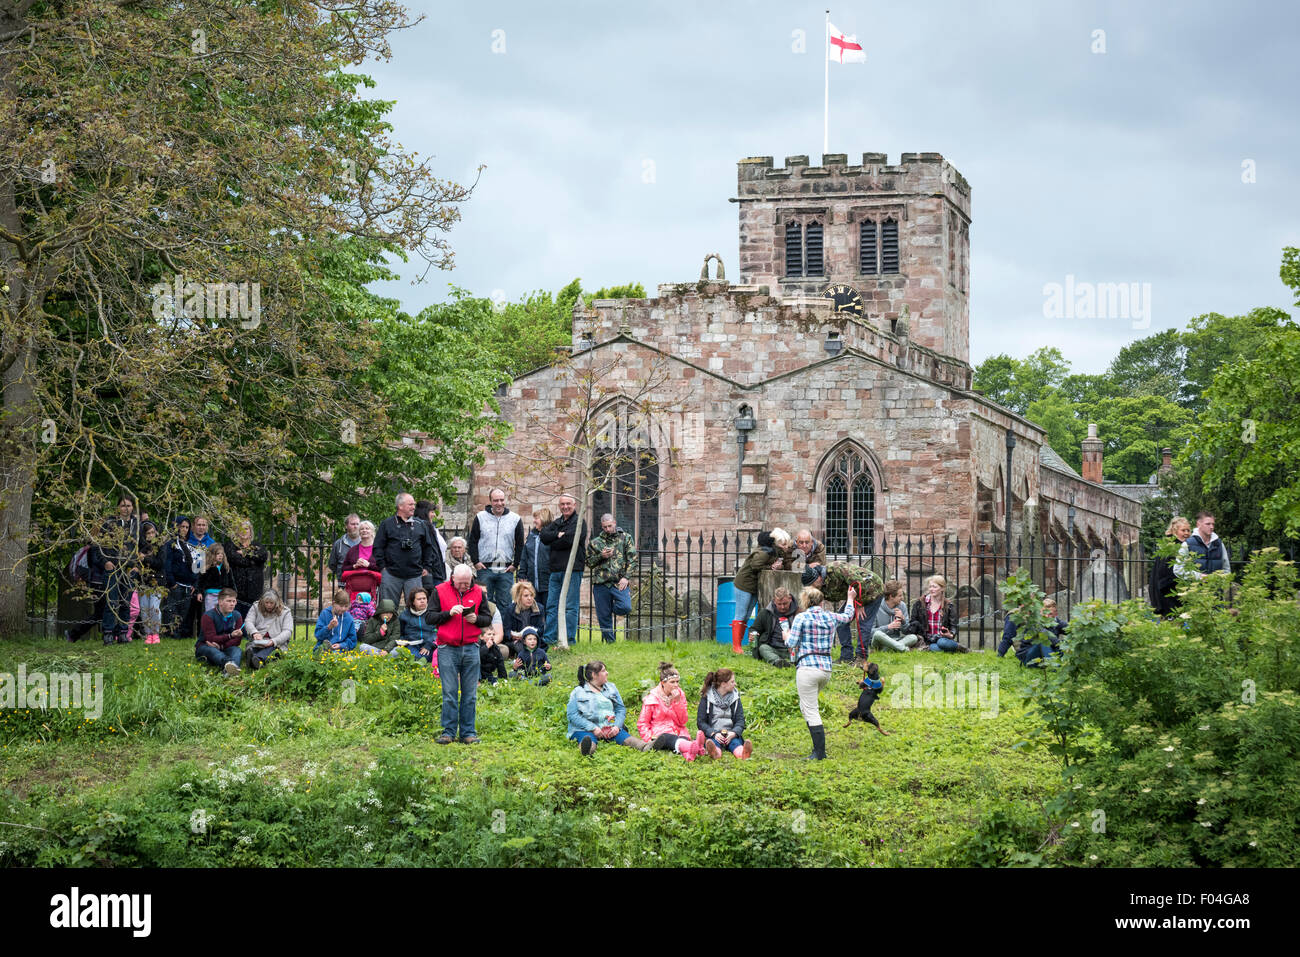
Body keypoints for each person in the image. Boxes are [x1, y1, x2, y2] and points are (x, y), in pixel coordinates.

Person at [786, 584, 859, 760]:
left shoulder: (801, 618)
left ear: (805, 602)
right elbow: (848, 616)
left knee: (811, 710)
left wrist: (786, 635)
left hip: (807, 668)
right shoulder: (830, 617)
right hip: (825, 669)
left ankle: (819, 753)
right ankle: (817, 750)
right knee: (806, 706)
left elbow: (791, 643)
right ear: (821, 602)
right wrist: (850, 599)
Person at [429, 565, 491, 744]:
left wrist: (476, 620)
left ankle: (468, 733)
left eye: (467, 582)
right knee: (449, 692)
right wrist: (448, 613)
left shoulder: (478, 592)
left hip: (471, 647)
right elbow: (429, 618)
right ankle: (448, 732)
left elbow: (487, 618)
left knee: (470, 693)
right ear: (453, 579)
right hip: (447, 647)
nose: (464, 586)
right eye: (460, 583)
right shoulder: (440, 591)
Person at [567, 660, 650, 754]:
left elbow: (620, 709)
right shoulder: (578, 692)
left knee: (626, 738)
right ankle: (586, 750)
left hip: (608, 726)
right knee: (588, 740)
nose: (607, 673)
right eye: (603, 671)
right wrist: (593, 728)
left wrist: (617, 726)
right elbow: (572, 715)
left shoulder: (611, 688)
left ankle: (646, 746)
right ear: (594, 675)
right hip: (585, 728)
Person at [731, 528, 793, 649]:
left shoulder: (776, 552)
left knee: (747, 614)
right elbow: (755, 565)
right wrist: (771, 567)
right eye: (783, 543)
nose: (786, 546)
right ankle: (736, 646)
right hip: (744, 584)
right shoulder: (764, 552)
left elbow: (784, 564)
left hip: (754, 585)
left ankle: (740, 645)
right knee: (741, 613)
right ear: (775, 542)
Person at [468, 487, 525, 616]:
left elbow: (520, 544)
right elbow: (473, 541)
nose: (499, 503)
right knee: (483, 602)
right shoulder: (480, 517)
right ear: (490, 501)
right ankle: (485, 634)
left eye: (501, 500)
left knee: (505, 604)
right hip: (485, 568)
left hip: (505, 570)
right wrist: (475, 561)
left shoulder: (515, 519)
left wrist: (515, 564)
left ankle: (503, 634)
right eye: (495, 500)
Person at [540, 494, 588, 647]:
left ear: (574, 505)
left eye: (568, 504)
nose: (565, 507)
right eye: (562, 504)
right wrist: (557, 536)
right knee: (552, 605)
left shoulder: (579, 522)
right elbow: (543, 536)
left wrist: (555, 541)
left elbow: (570, 540)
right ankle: (550, 638)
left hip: (573, 569)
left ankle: (569, 639)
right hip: (555, 570)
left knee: (570, 606)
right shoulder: (557, 522)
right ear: (559, 506)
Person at [373, 493, 435, 609]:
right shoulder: (387, 524)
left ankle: (414, 628)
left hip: (415, 575)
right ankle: (388, 628)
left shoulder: (420, 524)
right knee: (388, 609)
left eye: (414, 504)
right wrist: (383, 568)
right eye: (410, 504)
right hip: (391, 574)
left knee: (416, 609)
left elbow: (428, 547)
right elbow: (378, 547)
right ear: (400, 506)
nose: (413, 507)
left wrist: (427, 567)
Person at [636, 662, 704, 760]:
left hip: (678, 730)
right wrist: (649, 738)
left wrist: (677, 702)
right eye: (672, 682)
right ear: (663, 683)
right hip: (660, 733)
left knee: (681, 738)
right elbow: (642, 723)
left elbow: (683, 721)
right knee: (668, 738)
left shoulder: (680, 694)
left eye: (677, 681)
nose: (676, 685)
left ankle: (690, 754)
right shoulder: (652, 698)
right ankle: (696, 747)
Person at [585, 513, 636, 644]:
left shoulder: (626, 538)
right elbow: (589, 563)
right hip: (600, 583)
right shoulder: (595, 542)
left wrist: (626, 577)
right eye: (605, 527)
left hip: (619, 582)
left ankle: (608, 608)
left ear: (614, 523)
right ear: (601, 526)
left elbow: (633, 559)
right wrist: (601, 556)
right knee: (603, 616)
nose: (608, 529)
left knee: (625, 607)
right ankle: (610, 643)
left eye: (610, 526)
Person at [697, 668, 753, 759]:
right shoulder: (706, 697)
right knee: (713, 742)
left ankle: (743, 753)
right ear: (723, 684)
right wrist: (713, 733)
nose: (735, 684)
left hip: (730, 733)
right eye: (732, 682)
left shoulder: (735, 698)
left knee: (735, 743)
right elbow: (701, 722)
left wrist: (734, 733)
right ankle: (715, 753)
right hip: (714, 733)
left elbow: (740, 720)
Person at [161, 517, 198, 640]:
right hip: (176, 583)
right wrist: (172, 583)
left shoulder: (190, 545)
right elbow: (167, 564)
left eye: (187, 527)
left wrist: (195, 583)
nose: (184, 529)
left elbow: (196, 567)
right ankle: (171, 634)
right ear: (176, 527)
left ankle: (180, 634)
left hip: (188, 585)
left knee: (184, 611)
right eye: (182, 526)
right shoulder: (171, 544)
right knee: (172, 610)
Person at [195, 587, 245, 676]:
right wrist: (230, 636)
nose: (232, 604)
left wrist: (222, 647)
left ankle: (229, 671)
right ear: (220, 602)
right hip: (205, 646)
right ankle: (229, 664)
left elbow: (237, 641)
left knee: (237, 650)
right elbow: (211, 639)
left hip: (224, 647)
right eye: (229, 601)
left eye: (234, 601)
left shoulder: (237, 615)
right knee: (212, 650)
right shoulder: (208, 616)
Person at [1149, 516, 1192, 618]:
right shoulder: (1170, 548)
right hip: (1169, 595)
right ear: (1175, 531)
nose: (1186, 533)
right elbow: (1164, 575)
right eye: (1183, 530)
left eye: (1188, 530)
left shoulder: (1184, 546)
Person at [1001, 598, 1067, 665]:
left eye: (1050, 614)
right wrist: (1061, 645)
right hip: (1029, 655)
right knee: (1043, 641)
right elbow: (1007, 637)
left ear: (1056, 613)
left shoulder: (1056, 622)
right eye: (1045, 613)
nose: (1047, 616)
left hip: (1044, 656)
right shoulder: (1034, 622)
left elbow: (1068, 628)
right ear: (1040, 612)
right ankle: (1054, 667)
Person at [226, 519, 269, 620]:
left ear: (250, 531)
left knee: (251, 617)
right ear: (236, 531)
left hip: (254, 589)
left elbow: (263, 556)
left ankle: (250, 635)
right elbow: (235, 559)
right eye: (241, 529)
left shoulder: (257, 545)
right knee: (236, 617)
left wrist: (244, 553)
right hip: (236, 588)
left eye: (246, 529)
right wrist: (253, 561)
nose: (244, 531)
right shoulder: (231, 545)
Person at [243, 588, 294, 670]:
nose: (269, 605)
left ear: (276, 602)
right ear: (263, 601)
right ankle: (254, 657)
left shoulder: (285, 612)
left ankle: (258, 659)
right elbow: (248, 621)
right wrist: (254, 633)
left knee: (274, 650)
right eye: (266, 603)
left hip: (276, 643)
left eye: (271, 603)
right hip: (259, 641)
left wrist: (273, 641)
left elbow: (287, 631)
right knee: (254, 647)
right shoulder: (256, 607)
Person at [910, 576, 963, 652]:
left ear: (942, 588)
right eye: (930, 587)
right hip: (926, 640)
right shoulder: (920, 603)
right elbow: (913, 622)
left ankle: (958, 648)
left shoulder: (949, 605)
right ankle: (955, 649)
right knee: (934, 648)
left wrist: (950, 634)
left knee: (942, 643)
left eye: (934, 587)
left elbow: (953, 626)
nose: (931, 589)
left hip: (942, 639)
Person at [137, 520, 167, 644]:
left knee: (154, 607)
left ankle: (155, 632)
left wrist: (145, 559)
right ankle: (148, 633)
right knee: (144, 609)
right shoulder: (139, 547)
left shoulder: (161, 546)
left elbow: (160, 563)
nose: (151, 535)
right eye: (148, 533)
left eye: (153, 532)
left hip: (157, 581)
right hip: (143, 581)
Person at [749, 586, 795, 667]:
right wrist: (752, 634)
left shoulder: (799, 613)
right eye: (779, 604)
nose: (782, 607)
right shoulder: (765, 613)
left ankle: (792, 660)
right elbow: (754, 628)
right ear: (774, 601)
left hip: (792, 649)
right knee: (763, 648)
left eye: (785, 603)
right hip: (773, 648)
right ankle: (777, 662)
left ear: (790, 599)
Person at [518, 507, 552, 614]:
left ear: (544, 518)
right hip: (532, 584)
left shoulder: (552, 536)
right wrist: (522, 574)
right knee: (534, 612)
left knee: (548, 612)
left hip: (548, 583)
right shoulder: (531, 535)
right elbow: (525, 556)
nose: (534, 521)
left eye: (536, 518)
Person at [339, 519, 382, 602]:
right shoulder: (352, 550)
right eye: (362, 529)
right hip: (354, 588)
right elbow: (343, 568)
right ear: (359, 532)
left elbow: (383, 568)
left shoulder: (378, 550)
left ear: (372, 532)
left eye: (367, 528)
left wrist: (369, 565)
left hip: (372, 588)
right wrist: (354, 566)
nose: (364, 530)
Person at [1180, 511, 1231, 579]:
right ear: (1198, 524)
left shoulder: (1219, 544)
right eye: (1208, 524)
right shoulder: (1188, 544)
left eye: (1213, 524)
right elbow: (1178, 569)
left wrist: (1224, 584)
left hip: (1216, 587)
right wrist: (1199, 577)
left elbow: (1226, 569)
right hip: (1195, 588)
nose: (1211, 527)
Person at [193, 543, 237, 621]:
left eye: (222, 554)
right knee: (211, 615)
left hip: (224, 596)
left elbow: (231, 582)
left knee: (224, 615)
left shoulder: (226, 568)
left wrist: (234, 594)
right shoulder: (207, 568)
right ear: (212, 555)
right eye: (217, 554)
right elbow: (201, 582)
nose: (220, 555)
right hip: (211, 596)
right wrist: (199, 592)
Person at [844, 662, 889, 735]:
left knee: (852, 714)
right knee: (875, 722)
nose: (865, 664)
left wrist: (860, 682)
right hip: (863, 710)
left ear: (871, 671)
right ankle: (849, 722)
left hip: (863, 711)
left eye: (867, 664)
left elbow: (861, 685)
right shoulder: (876, 684)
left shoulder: (869, 682)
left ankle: (880, 730)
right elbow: (878, 689)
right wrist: (882, 683)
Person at [871, 580, 917, 652]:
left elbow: (906, 632)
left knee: (914, 637)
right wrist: (888, 627)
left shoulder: (902, 606)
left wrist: (903, 620)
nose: (902, 598)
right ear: (891, 596)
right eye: (900, 596)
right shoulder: (876, 607)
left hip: (896, 639)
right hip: (880, 641)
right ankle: (903, 649)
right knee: (877, 634)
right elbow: (870, 632)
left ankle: (887, 649)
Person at [397, 587, 438, 664]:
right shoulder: (404, 615)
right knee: (415, 658)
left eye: (424, 598)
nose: (422, 601)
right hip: (412, 645)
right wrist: (403, 642)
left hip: (429, 645)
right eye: (419, 599)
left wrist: (428, 645)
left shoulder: (433, 614)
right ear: (413, 602)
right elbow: (400, 633)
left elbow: (436, 632)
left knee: (425, 658)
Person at [504, 580, 545, 654]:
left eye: (531, 595)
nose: (529, 598)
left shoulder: (539, 608)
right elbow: (506, 630)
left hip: (533, 639)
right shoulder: (510, 609)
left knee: (535, 645)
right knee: (519, 646)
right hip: (517, 641)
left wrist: (530, 633)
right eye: (526, 596)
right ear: (519, 597)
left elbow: (541, 629)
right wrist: (513, 636)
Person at [313, 588, 358, 653]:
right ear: (334, 603)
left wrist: (341, 645)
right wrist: (328, 627)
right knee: (320, 651)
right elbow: (318, 635)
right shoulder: (325, 614)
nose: (343, 608)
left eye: (346, 606)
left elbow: (353, 641)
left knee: (336, 654)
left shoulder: (349, 618)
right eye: (341, 605)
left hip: (340, 650)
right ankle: (324, 651)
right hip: (322, 647)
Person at [328, 513, 362, 582]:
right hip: (344, 583)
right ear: (346, 526)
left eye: (357, 524)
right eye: (352, 524)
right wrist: (341, 574)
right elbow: (332, 564)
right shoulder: (339, 544)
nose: (355, 526)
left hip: (362, 583)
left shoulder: (366, 542)